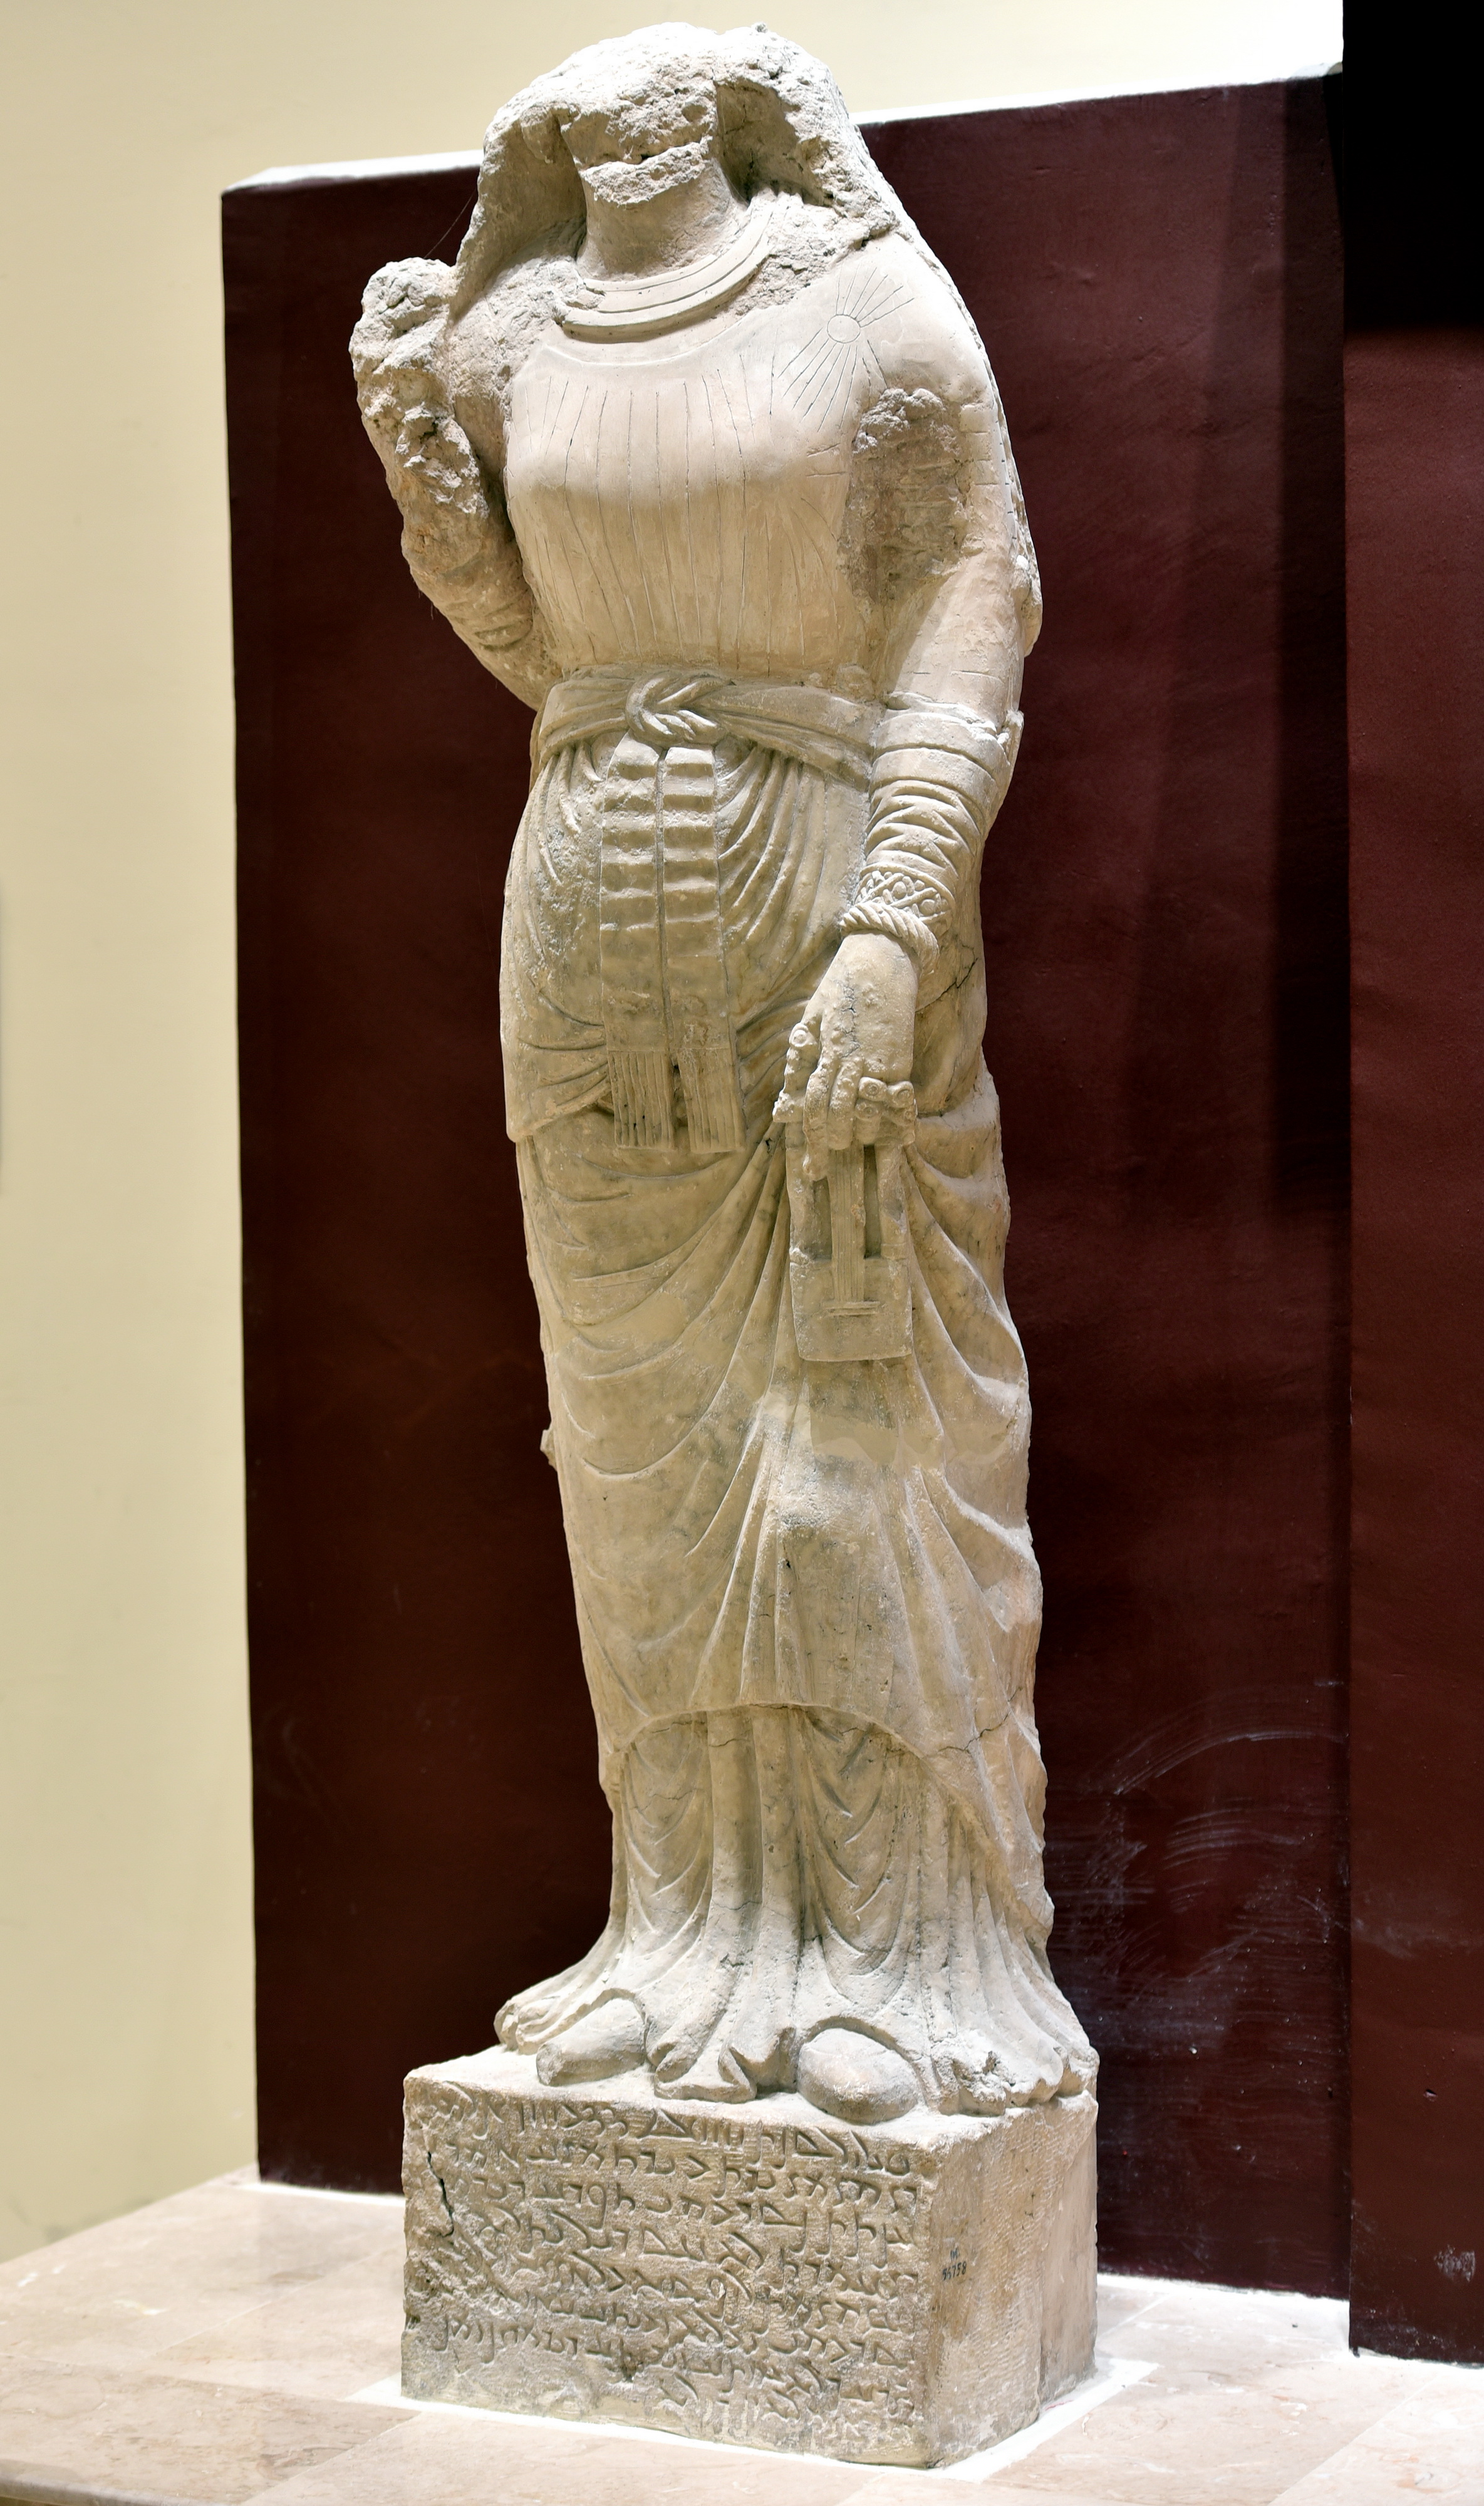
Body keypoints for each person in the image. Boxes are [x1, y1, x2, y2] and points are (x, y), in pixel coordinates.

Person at [353, 20, 1094, 2126]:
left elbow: (971, 598)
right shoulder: (509, 342)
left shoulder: (866, 308)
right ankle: (673, 1934)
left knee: (849, 1432)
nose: (625, 131)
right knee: (640, 1454)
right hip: (590, 894)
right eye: (578, 121)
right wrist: (426, 480)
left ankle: (901, 1958)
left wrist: (895, 919)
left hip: (817, 869)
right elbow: (540, 641)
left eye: (668, 105)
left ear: (746, 120)